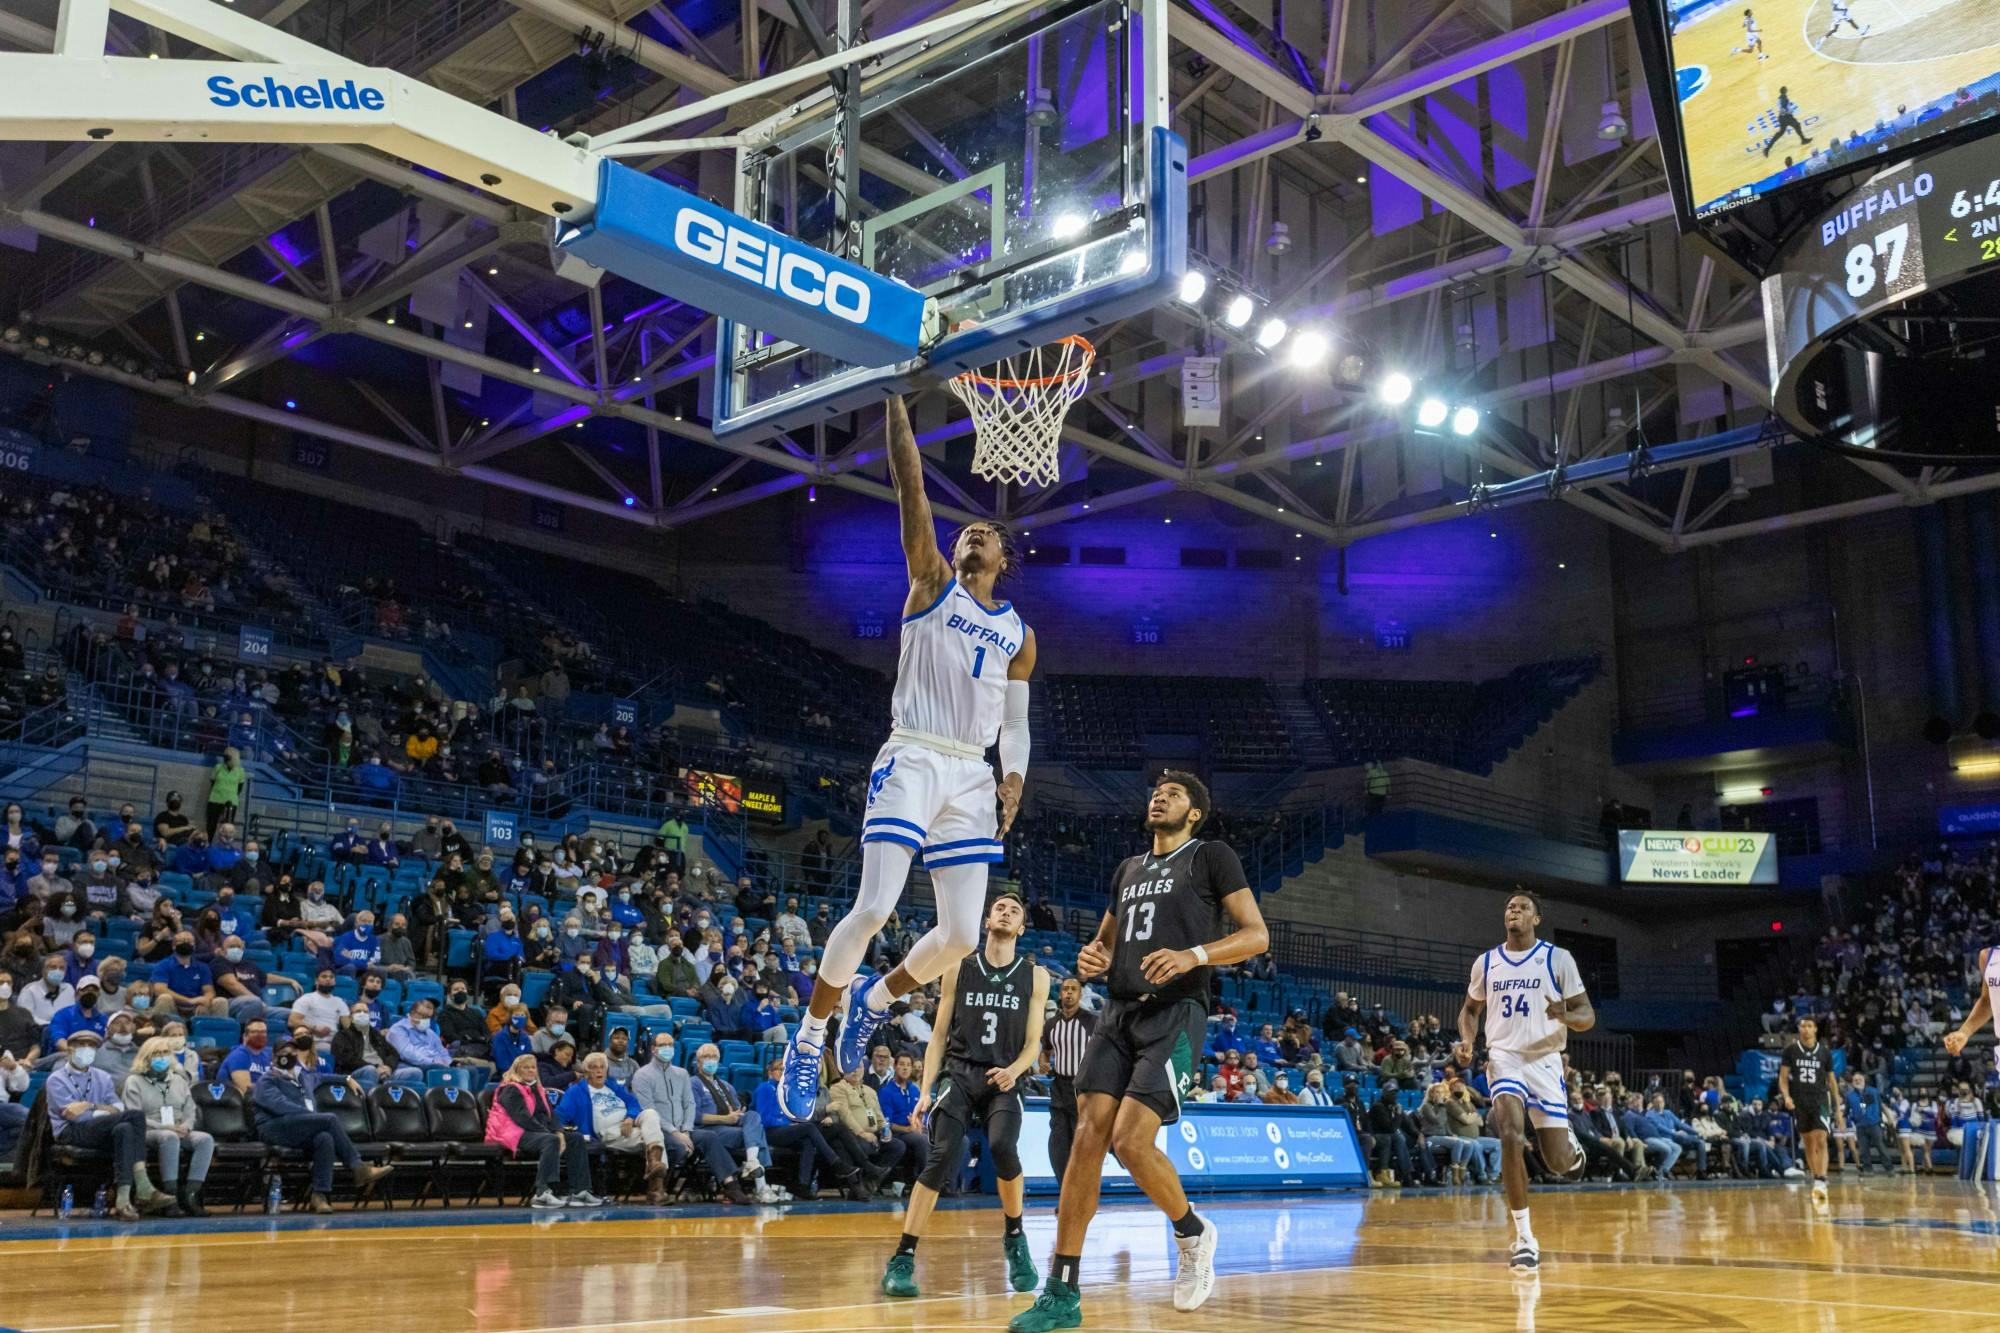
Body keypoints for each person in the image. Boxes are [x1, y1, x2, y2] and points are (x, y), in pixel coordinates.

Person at [778, 397, 1038, 1119]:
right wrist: (898, 398)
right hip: (915, 751)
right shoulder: (931, 582)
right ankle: (809, 1037)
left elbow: (1016, 722)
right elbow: (910, 484)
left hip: (973, 773)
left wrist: (1014, 775)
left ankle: (875, 996)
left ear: (1004, 559)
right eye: (967, 532)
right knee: (874, 905)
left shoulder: (1020, 632)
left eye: (986, 532)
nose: (973, 535)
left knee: (960, 934)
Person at [1012, 772, 1268, 1331]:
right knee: (1086, 1138)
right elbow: (1105, 941)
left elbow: (1256, 935)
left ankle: (1192, 1232)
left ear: (1195, 812)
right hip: (1119, 1013)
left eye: (1174, 793)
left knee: (1130, 1141)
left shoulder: (1211, 856)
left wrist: (1193, 954)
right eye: (1157, 790)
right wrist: (1093, 957)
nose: (1160, 796)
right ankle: (1063, 1290)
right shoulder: (1128, 869)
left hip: (1177, 1015)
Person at [883, 889, 1048, 1298]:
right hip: (959, 1073)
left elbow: (1033, 1044)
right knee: (941, 1156)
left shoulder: (1036, 976)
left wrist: (1013, 1071)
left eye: (1014, 911)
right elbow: (938, 1035)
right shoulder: (958, 967)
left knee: (1003, 1147)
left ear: (1021, 927)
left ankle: (1015, 1237)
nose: (1006, 913)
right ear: (987, 922)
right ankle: (903, 1258)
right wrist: (925, 1090)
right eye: (999, 909)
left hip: (1003, 1077)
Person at [1453, 890, 1593, 1271]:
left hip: (1545, 1059)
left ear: (1536, 919)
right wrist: (1467, 1041)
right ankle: (1525, 1239)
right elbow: (1469, 1011)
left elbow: (1587, 1015)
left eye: (1523, 907)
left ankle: (1571, 1149)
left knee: (1558, 1163)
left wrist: (1565, 1013)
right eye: (1509, 907)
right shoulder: (1487, 962)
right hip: (1504, 1057)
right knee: (1510, 1134)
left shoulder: (1557, 959)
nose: (1514, 910)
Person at [250, 1036, 394, 1212]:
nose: (289, 1055)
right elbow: (280, 1106)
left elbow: (326, 1077)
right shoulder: (267, 1080)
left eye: (293, 1052)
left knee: (324, 1138)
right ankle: (358, 1167)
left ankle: (319, 1196)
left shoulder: (304, 1077)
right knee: (329, 1119)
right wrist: (312, 1117)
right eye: (284, 1053)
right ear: (274, 1057)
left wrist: (348, 1079)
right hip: (273, 1127)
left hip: (299, 1127)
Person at [46, 1030, 157, 1219]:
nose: (87, 1050)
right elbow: (74, 1116)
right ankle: (142, 1181)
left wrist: (89, 1106)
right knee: (136, 1116)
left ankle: (123, 1200)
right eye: (82, 1046)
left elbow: (118, 1107)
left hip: (97, 1131)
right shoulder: (56, 1079)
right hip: (70, 1132)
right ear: (70, 1049)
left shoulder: (102, 1077)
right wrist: (103, 1111)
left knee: (125, 1128)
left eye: (91, 1047)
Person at [486, 1053, 598, 1209]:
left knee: (576, 1138)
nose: (531, 1070)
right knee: (550, 1140)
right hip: (514, 1133)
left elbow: (552, 1116)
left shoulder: (538, 1089)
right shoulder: (510, 1089)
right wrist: (552, 1135)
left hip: (538, 1131)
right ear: (517, 1070)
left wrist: (559, 1132)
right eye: (526, 1067)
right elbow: (522, 1118)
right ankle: (542, 1193)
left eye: (533, 1067)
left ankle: (580, 1191)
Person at [557, 1052, 671, 1204]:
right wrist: (559, 1132)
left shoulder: (613, 1086)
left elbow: (633, 1103)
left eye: (602, 1067)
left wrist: (629, 1118)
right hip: (607, 1134)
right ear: (587, 1071)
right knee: (657, 1140)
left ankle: (654, 1166)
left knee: (650, 1113)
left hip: (628, 1128)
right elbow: (560, 1114)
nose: (599, 1071)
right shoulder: (577, 1091)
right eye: (594, 1067)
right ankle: (656, 1189)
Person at [122, 1036, 213, 1216]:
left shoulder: (179, 1080)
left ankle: (190, 1196)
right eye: (156, 1054)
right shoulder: (134, 1081)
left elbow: (190, 1108)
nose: (161, 1058)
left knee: (205, 1139)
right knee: (168, 1137)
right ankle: (169, 1198)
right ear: (146, 1057)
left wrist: (187, 1125)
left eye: (165, 1053)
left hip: (179, 1128)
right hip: (149, 1130)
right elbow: (134, 1115)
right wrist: (166, 1127)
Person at [1776, 1016, 1837, 1213]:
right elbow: (1783, 1078)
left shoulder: (1825, 1052)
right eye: (1802, 1026)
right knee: (1809, 1142)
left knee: (1821, 1138)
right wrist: (1786, 1096)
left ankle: (1821, 1178)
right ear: (1799, 1029)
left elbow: (1832, 1080)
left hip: (1820, 1099)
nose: (1806, 1029)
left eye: (1809, 1026)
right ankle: (1815, 1176)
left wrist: (1837, 1105)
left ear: (1816, 1029)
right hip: (1800, 1100)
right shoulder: (1791, 1051)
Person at [1041, 975, 1094, 1187]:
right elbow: (1044, 1051)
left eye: (1073, 989)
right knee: (1058, 1141)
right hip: (1059, 1086)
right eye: (1065, 989)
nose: (1069, 992)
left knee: (1080, 1142)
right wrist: (1043, 1063)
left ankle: (1081, 1189)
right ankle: (1064, 1189)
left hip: (1084, 1089)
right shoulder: (1051, 1024)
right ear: (1060, 993)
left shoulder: (1092, 1022)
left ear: (1080, 994)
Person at [205, 747, 246, 837]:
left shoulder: (240, 771)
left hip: (231, 801)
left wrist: (231, 794)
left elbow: (240, 787)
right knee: (211, 825)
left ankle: (225, 845)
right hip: (215, 799)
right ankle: (208, 844)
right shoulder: (218, 768)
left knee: (228, 827)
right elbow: (212, 781)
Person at [1763, 87, 1812, 158]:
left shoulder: (1780, 98)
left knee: (1782, 132)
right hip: (1786, 117)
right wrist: (1788, 112)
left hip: (1783, 117)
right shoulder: (1784, 98)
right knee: (1796, 126)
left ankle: (1767, 148)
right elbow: (1783, 108)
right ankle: (1803, 140)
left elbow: (1781, 108)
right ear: (1785, 91)